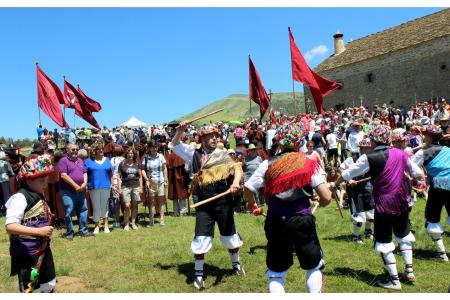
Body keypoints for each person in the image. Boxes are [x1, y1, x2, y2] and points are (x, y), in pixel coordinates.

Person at [331, 125, 424, 290]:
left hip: (383, 204)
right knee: (404, 235)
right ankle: (409, 270)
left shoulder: (369, 157)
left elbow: (348, 174)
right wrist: (413, 180)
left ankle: (394, 280)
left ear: (373, 140)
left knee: (383, 240)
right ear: (388, 139)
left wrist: (334, 184)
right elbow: (417, 173)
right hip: (402, 202)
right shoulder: (401, 154)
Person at [243, 124, 332, 293]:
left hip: (276, 220)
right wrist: (321, 201)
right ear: (300, 143)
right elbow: (326, 198)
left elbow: (248, 188)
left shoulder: (267, 164)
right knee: (313, 265)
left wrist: (251, 204)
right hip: (301, 220)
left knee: (276, 273)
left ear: (279, 142)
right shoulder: (309, 163)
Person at [171, 124, 244, 290]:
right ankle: (198, 274)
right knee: (201, 236)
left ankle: (236, 264)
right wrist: (180, 131)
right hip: (204, 203)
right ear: (202, 139)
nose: (214, 139)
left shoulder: (223, 154)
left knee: (229, 234)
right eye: (210, 136)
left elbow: (237, 169)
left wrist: (234, 183)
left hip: (223, 201)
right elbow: (175, 145)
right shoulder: (194, 153)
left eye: (215, 136)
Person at [4, 154, 57, 292]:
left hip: (43, 251)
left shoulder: (38, 194)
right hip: (27, 255)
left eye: (46, 179)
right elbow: (10, 226)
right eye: (42, 180)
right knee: (31, 289)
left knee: (47, 285)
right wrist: (39, 231)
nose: (46, 184)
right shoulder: (20, 198)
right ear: (29, 180)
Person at [412, 126, 450, 262]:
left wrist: (419, 178)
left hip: (439, 184)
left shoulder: (423, 152)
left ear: (428, 137)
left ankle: (441, 254)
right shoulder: (448, 150)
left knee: (432, 218)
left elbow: (410, 167)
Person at [340, 138, 374, 244]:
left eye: (370, 148)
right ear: (362, 148)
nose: (369, 150)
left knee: (371, 213)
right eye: (367, 148)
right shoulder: (352, 159)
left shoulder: (372, 158)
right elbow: (341, 168)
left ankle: (368, 231)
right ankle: (356, 236)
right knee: (359, 215)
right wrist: (349, 179)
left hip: (368, 187)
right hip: (354, 190)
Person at [58, 144, 93, 240]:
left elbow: (84, 172)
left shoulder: (80, 160)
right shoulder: (63, 160)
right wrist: (75, 185)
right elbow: (64, 175)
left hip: (80, 190)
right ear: (67, 150)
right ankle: (70, 233)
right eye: (73, 149)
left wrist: (84, 183)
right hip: (68, 191)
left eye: (77, 149)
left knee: (83, 210)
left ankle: (83, 230)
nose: (75, 151)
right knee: (68, 212)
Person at [85, 143, 113, 235]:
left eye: (102, 149)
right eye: (98, 149)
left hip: (106, 186)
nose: (101, 151)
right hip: (93, 187)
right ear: (94, 151)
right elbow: (85, 174)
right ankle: (96, 226)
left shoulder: (107, 160)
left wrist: (112, 184)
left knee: (105, 206)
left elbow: (111, 173)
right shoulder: (88, 161)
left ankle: (106, 225)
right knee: (96, 207)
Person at [141, 140, 168, 226]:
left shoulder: (161, 156)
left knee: (161, 200)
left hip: (160, 181)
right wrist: (146, 179)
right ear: (149, 148)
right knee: (151, 201)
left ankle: (161, 219)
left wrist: (166, 179)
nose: (155, 149)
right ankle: (151, 220)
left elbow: (164, 168)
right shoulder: (145, 158)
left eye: (156, 147)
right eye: (153, 147)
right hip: (151, 181)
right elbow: (142, 169)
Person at [118, 148, 142, 231]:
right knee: (127, 205)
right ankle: (126, 223)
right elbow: (118, 177)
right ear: (126, 155)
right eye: (129, 153)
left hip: (135, 186)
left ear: (134, 155)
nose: (130, 155)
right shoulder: (122, 164)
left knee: (134, 205)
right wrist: (119, 188)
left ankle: (133, 223)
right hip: (125, 186)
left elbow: (140, 176)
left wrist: (141, 187)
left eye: (132, 153)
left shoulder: (137, 163)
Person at [110, 145, 125, 228]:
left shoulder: (113, 159)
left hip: (116, 181)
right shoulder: (124, 159)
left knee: (117, 202)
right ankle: (125, 219)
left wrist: (111, 184)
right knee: (124, 201)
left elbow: (111, 172)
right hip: (124, 182)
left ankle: (117, 221)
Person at [0, 151, 14, 216]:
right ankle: (6, 211)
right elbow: (11, 172)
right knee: (6, 196)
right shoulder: (6, 163)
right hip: (4, 180)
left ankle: (1, 210)